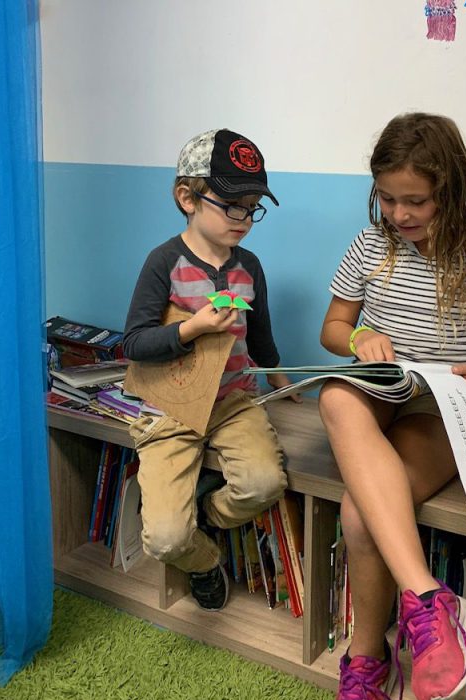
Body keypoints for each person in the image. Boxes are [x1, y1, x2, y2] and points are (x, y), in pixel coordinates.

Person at [316, 112, 466, 700]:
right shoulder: (369, 246)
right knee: (334, 391)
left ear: (452, 192)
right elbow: (334, 326)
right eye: (388, 198)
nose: (399, 213)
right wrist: (358, 339)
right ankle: (427, 601)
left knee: (362, 513)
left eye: (415, 200)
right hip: (380, 394)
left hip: (443, 411)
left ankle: (366, 665)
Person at [123, 128, 296, 613]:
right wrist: (191, 329)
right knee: (164, 538)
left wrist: (280, 377)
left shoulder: (250, 266)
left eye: (252, 207)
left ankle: (206, 512)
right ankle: (203, 561)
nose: (244, 219)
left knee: (264, 483)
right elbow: (134, 342)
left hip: (234, 403)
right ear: (187, 198)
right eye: (231, 205)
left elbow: (260, 335)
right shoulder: (163, 263)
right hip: (171, 407)